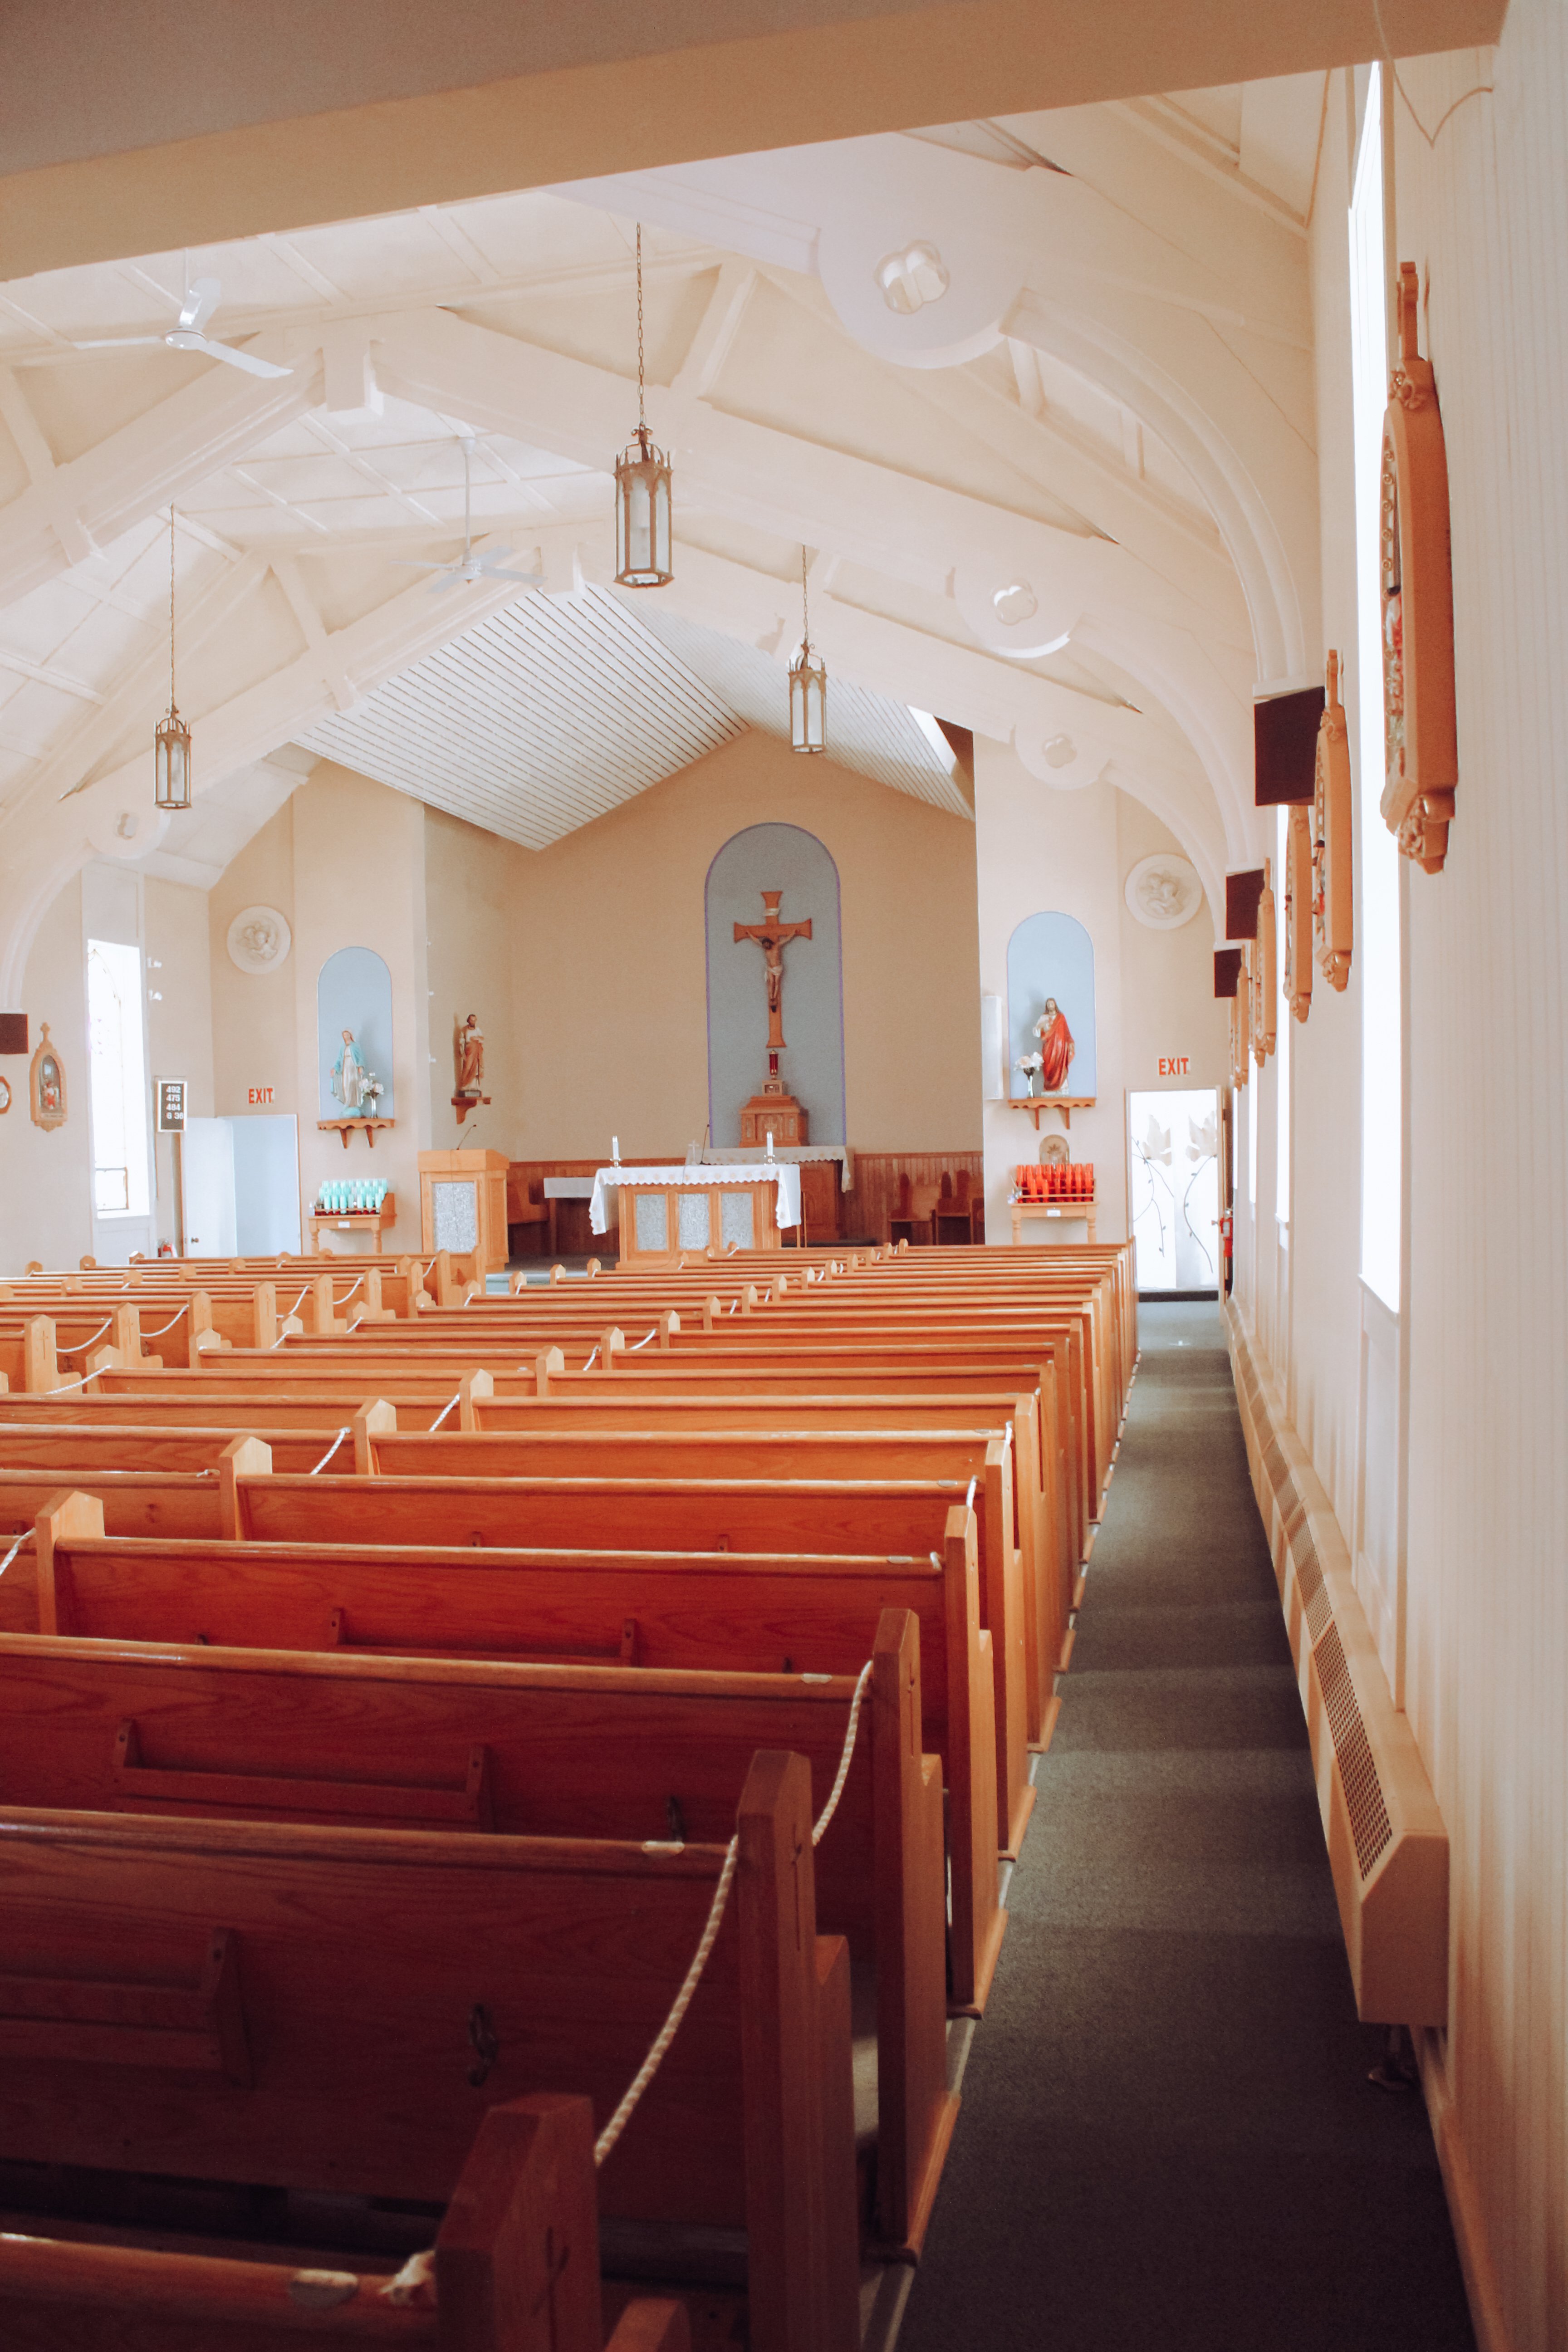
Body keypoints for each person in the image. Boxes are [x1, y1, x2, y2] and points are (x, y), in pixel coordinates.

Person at [1035, 998, 1075, 1092]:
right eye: (1048, 1004)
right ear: (1046, 1006)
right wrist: (1040, 1026)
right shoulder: (1043, 1018)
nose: (1050, 1006)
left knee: (1060, 1065)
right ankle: (1049, 1087)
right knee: (1049, 1066)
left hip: (1060, 1047)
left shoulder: (1061, 1017)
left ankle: (1062, 1086)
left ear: (1055, 1005)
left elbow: (1066, 1032)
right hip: (1048, 1046)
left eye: (1052, 1004)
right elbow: (1036, 1032)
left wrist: (1070, 1043)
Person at [332, 1028, 364, 1112]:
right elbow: (339, 1059)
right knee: (346, 1084)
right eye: (344, 1035)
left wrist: (360, 1066)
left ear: (350, 1035)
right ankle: (348, 1103)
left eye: (347, 1034)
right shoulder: (343, 1047)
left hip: (353, 1066)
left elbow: (360, 1057)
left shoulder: (355, 1046)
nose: (346, 1037)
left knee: (354, 1083)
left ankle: (355, 1103)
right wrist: (335, 1068)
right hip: (345, 1067)